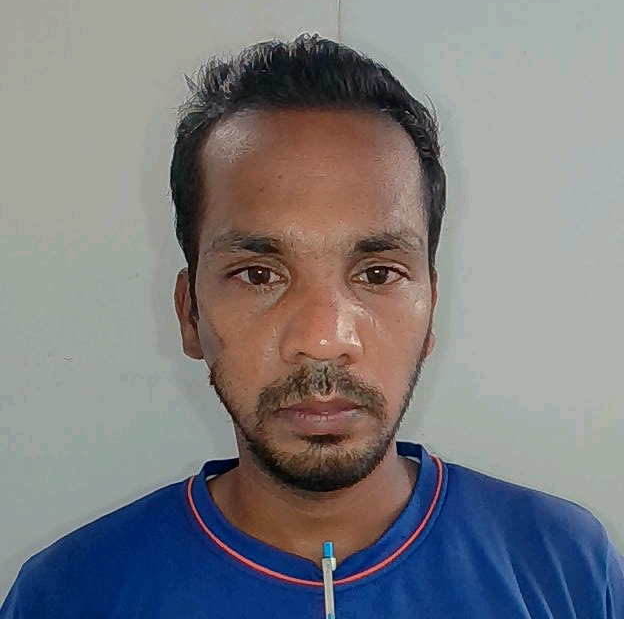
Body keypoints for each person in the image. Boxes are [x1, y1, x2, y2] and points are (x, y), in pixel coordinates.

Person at [1, 34, 622, 618]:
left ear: (431, 306)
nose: (324, 339)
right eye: (258, 275)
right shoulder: (69, 595)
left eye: (377, 274)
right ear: (189, 313)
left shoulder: (564, 568)